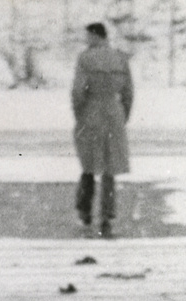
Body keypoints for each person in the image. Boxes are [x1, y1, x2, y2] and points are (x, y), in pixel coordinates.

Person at [71, 22, 134, 238]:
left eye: (88, 36)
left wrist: (80, 115)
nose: (86, 40)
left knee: (88, 166)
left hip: (91, 113)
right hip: (113, 114)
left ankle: (85, 211)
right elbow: (128, 93)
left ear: (95, 36)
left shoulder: (85, 58)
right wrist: (122, 116)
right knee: (110, 169)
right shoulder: (120, 58)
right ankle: (107, 216)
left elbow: (78, 91)